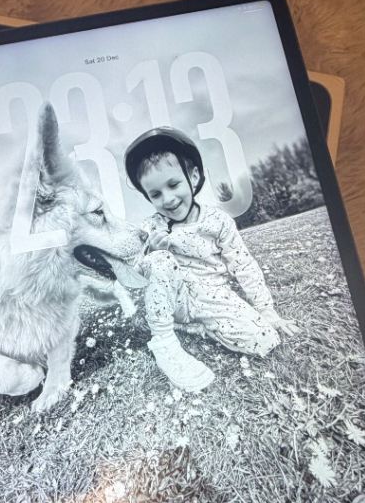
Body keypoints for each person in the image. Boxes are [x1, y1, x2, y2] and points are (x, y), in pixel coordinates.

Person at [124, 128, 298, 392]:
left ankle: (198, 327)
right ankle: (165, 341)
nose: (168, 199)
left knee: (266, 339)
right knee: (160, 260)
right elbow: (135, 274)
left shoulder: (218, 221)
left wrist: (266, 310)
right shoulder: (150, 228)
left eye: (173, 184)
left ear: (193, 177)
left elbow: (243, 265)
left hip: (213, 298)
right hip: (176, 301)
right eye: (155, 194)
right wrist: (151, 252)